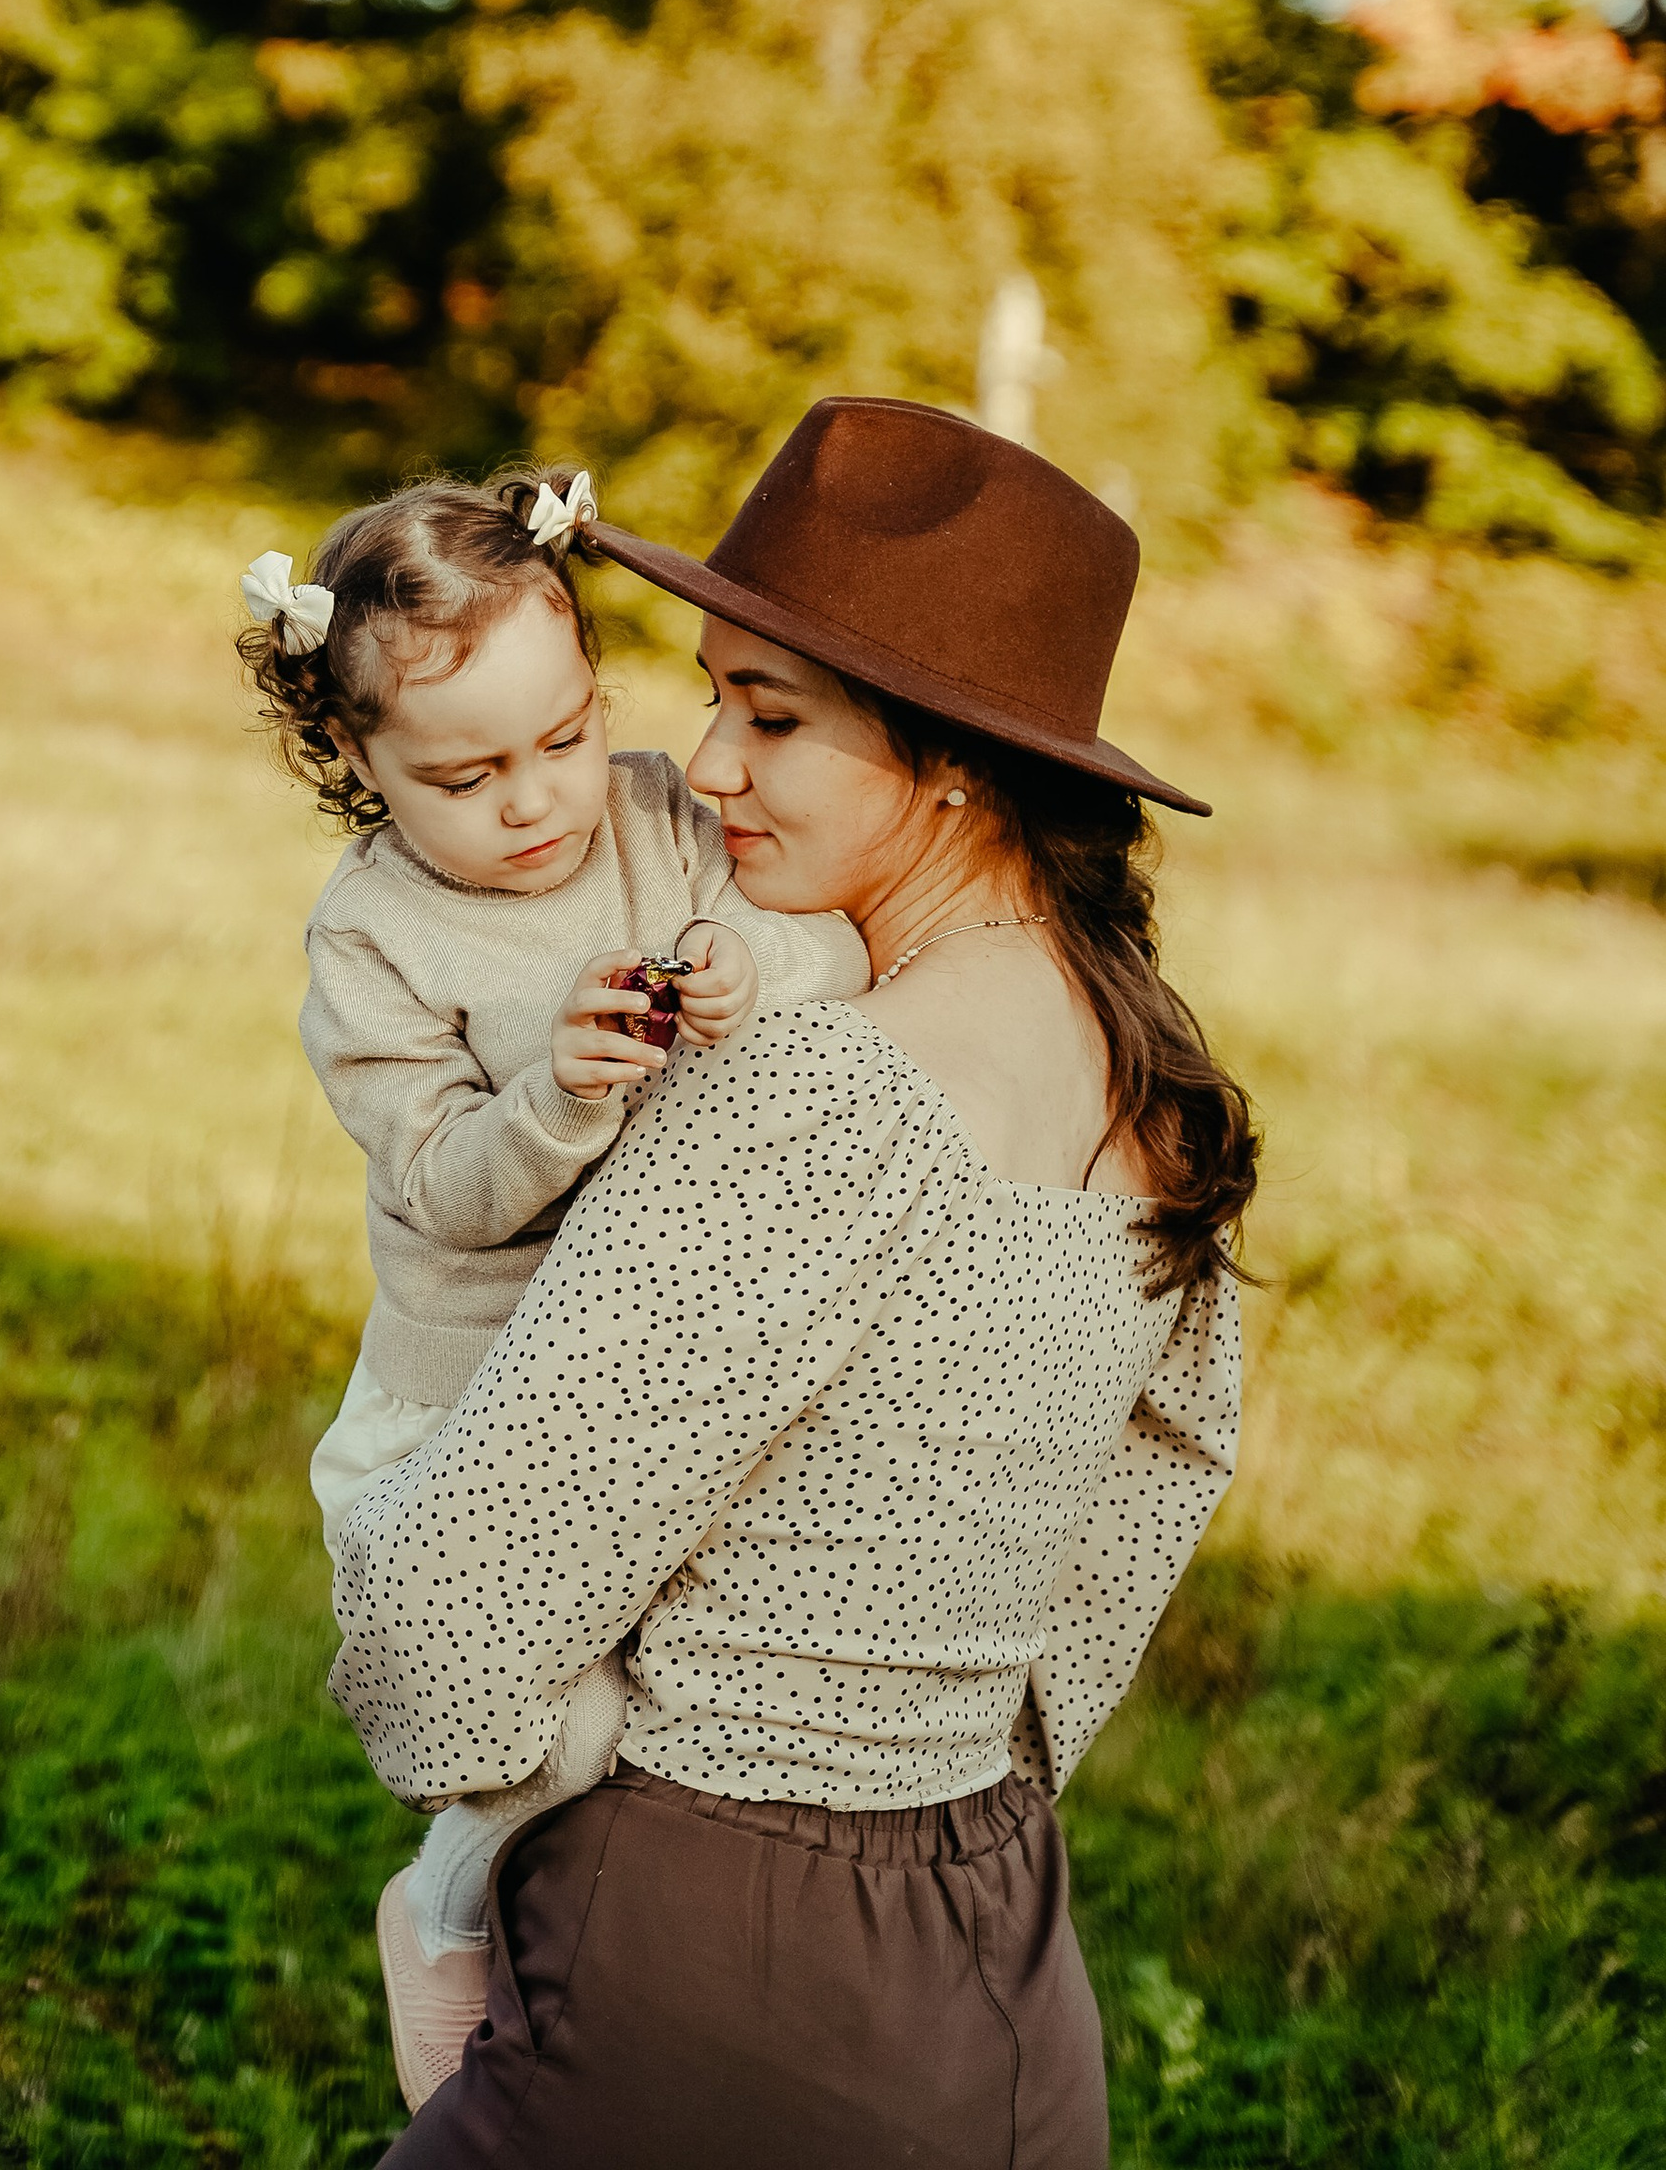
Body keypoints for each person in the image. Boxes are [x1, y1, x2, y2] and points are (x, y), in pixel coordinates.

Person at [329, 397, 1257, 2167]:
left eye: (771, 716)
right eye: (704, 698)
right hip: (1000, 1951)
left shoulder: (818, 1092)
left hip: (706, 1954)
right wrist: (930, 1766)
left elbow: (444, 1635)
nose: (706, 771)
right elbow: (1143, 1511)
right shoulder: (1156, 1081)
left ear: (956, 762)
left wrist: (518, 1829)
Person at [241, 471, 870, 2105]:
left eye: (563, 737)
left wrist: (758, 963)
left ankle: (617, 1994)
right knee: (554, 1729)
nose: (532, 801)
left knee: (680, 1725)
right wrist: (560, 1102)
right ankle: (451, 1910)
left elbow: (847, 949)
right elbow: (438, 1182)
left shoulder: (664, 818)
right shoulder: (376, 939)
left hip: (653, 1379)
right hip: (466, 1400)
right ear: (356, 765)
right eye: (463, 774)